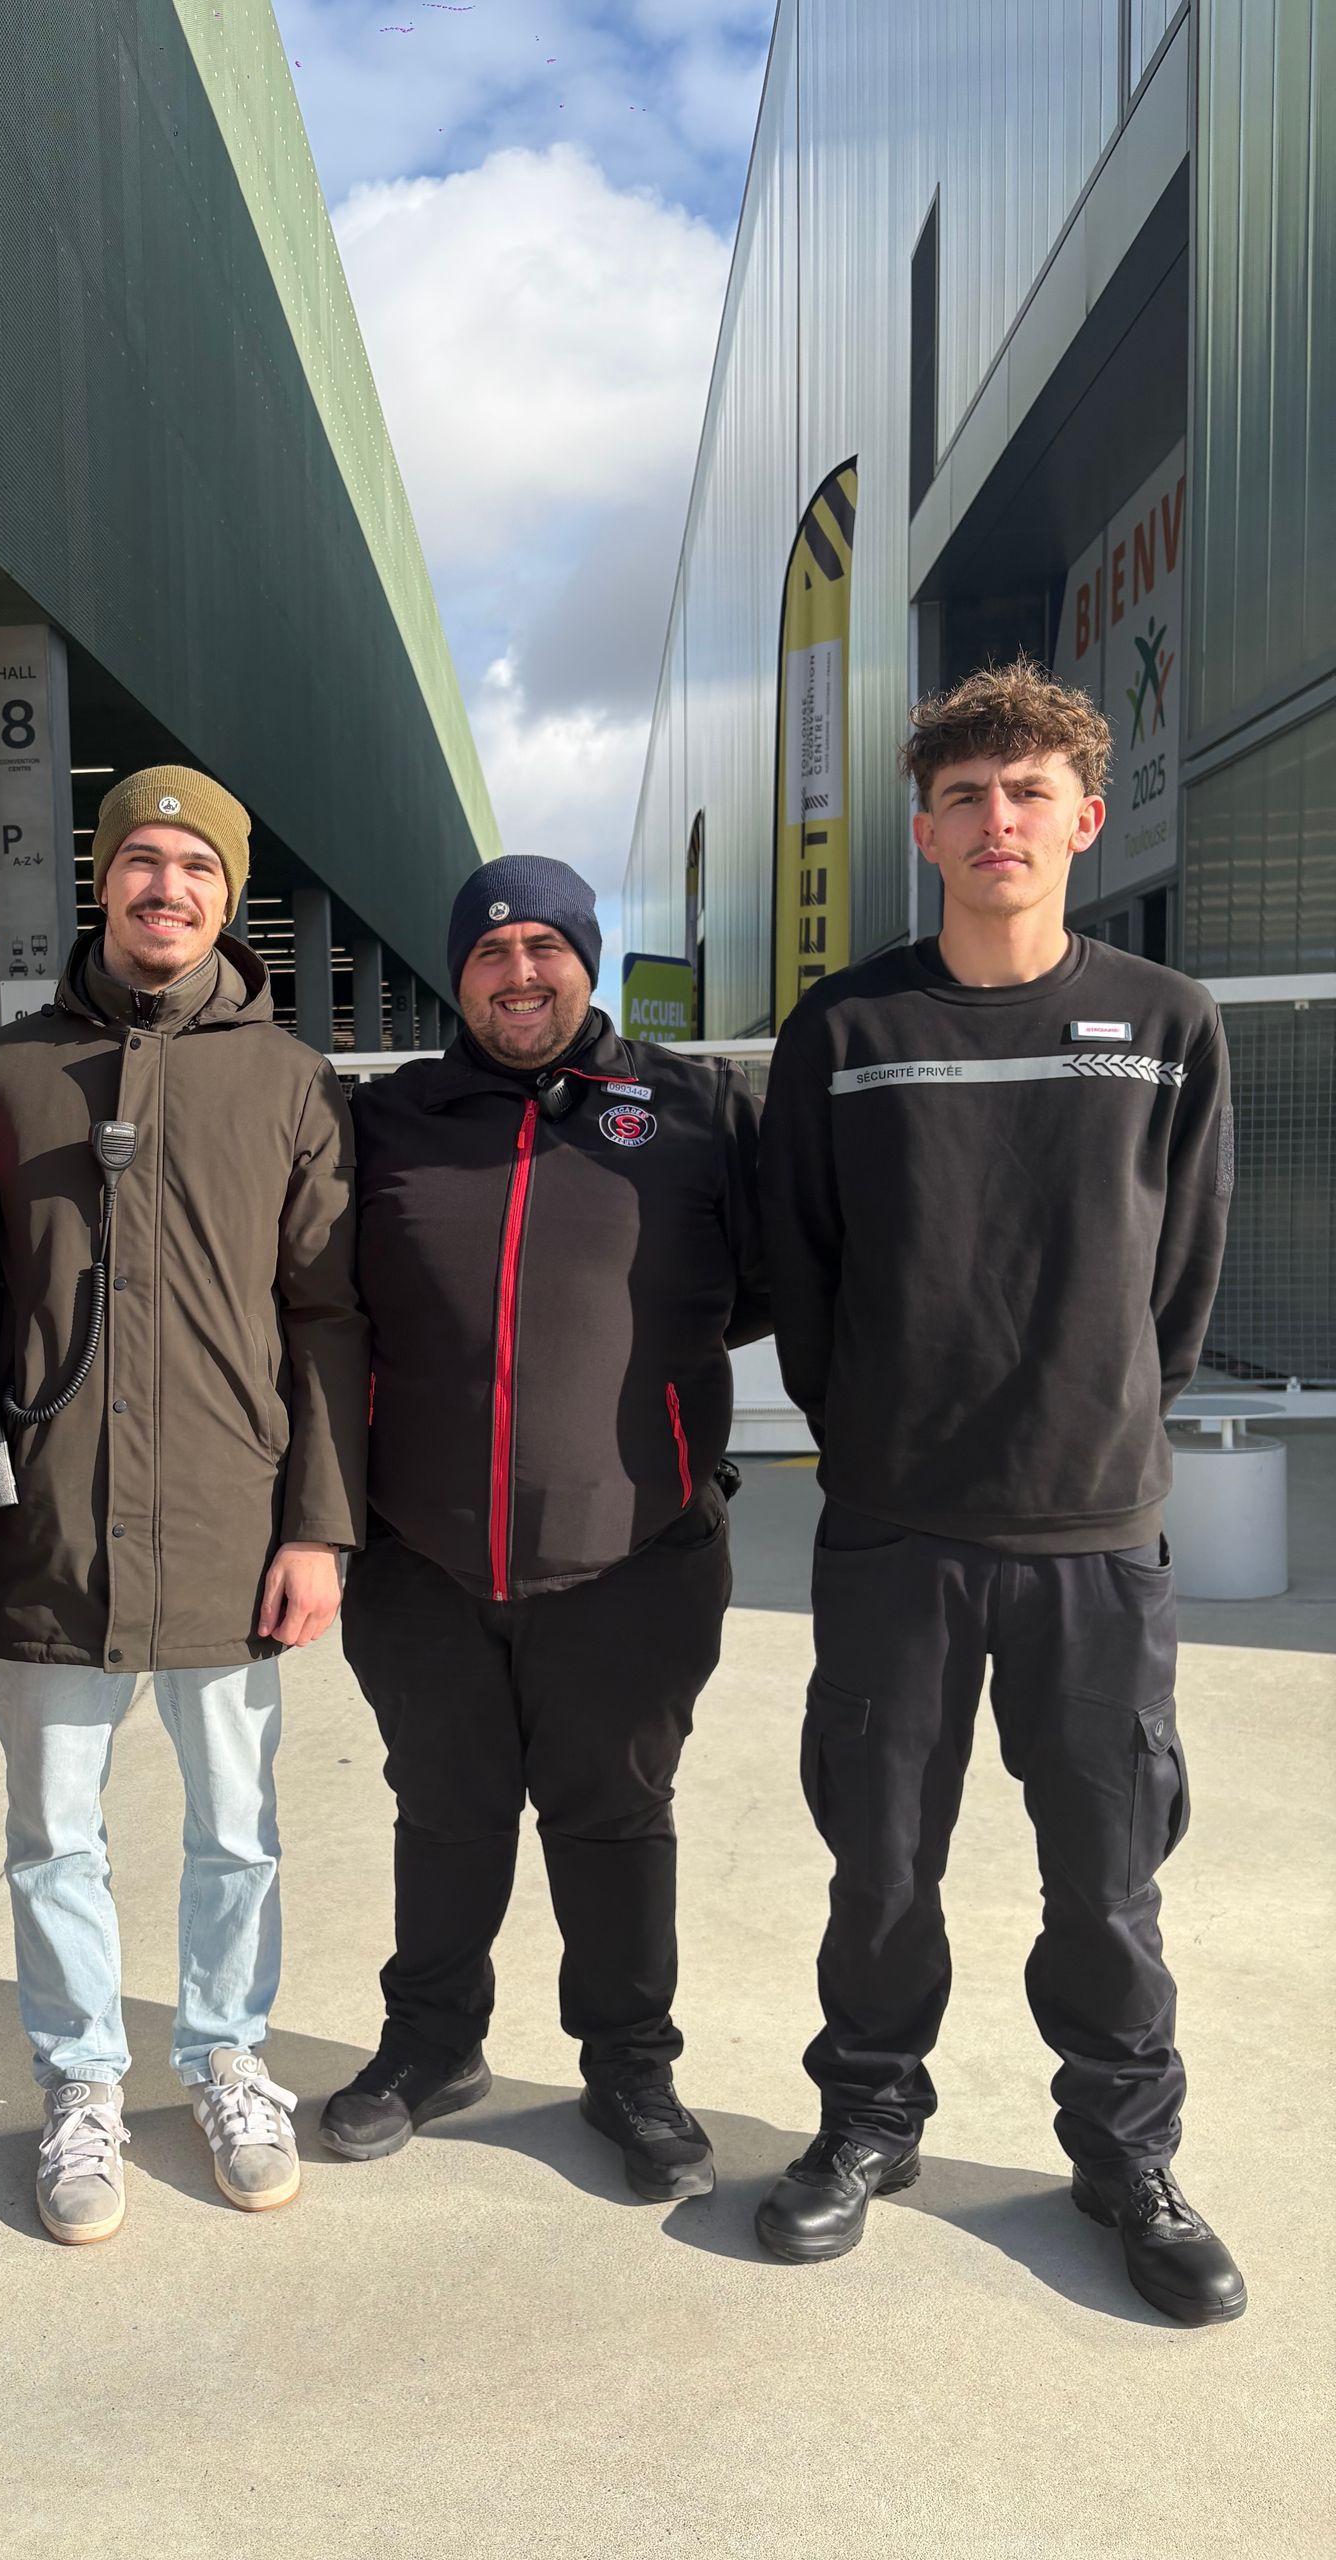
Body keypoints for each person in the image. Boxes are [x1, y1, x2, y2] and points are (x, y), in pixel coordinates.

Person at [755, 660, 1246, 2323]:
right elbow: (804, 1265)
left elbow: (1183, 1279)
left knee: (1106, 1880)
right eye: (965, 797)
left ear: (1085, 820)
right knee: (881, 1865)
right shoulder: (848, 1031)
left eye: (1029, 793)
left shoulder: (1167, 1027)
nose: (997, 821)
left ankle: (1126, 2155)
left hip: (1093, 1538)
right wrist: (875, 1431)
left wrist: (1099, 1425)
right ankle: (867, 2121)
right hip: (896, 1530)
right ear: (926, 831)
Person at [0, 765, 366, 2242]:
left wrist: (317, 1526)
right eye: (141, 861)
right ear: (103, 879)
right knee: (53, 1834)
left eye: (196, 867)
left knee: (236, 1830)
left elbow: (326, 1317)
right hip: (48, 1524)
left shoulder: (290, 1081)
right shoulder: (3, 1075)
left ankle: (229, 2057)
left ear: (227, 898)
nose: (165, 888)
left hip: (228, 1528)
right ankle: (80, 2081)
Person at [319, 856, 768, 2201]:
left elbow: (760, 1288)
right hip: (421, 1552)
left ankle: (629, 2067)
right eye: (490, 953)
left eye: (545, 948)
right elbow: (328, 1304)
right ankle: (431, 2043)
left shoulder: (691, 1109)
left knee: (615, 1814)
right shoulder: (389, 1119)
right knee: (442, 1806)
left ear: (589, 959)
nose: (520, 975)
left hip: (636, 1549)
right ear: (458, 976)